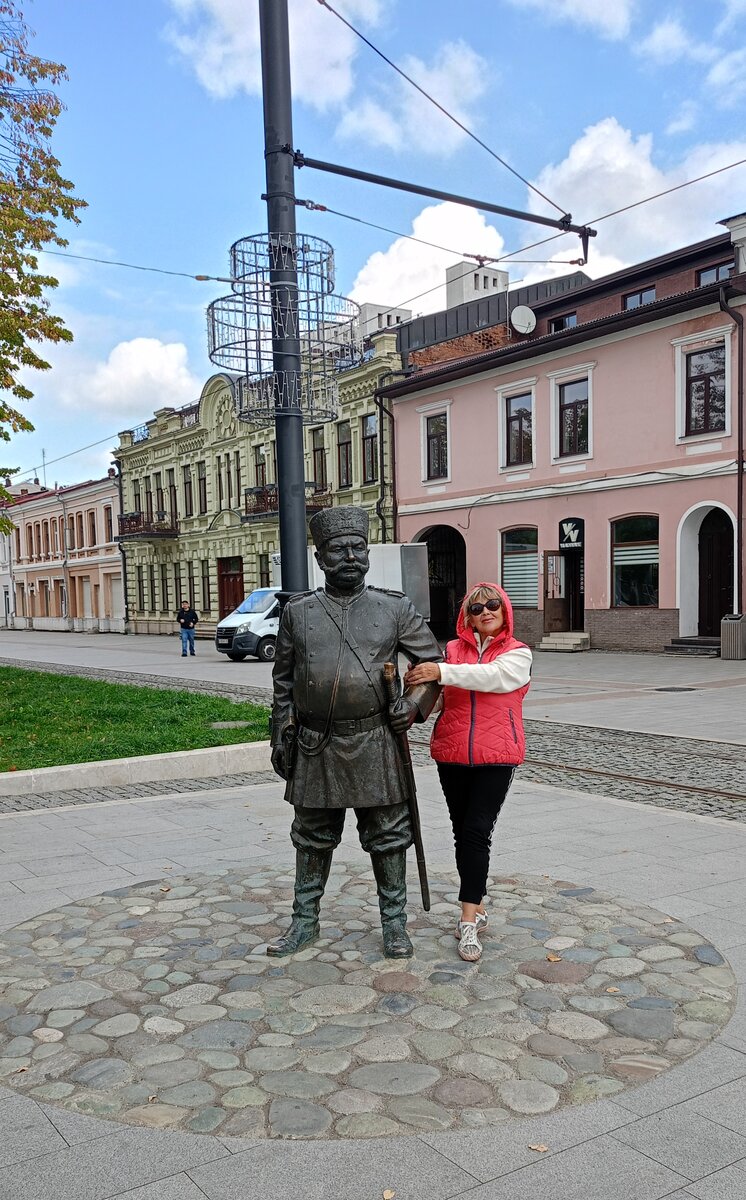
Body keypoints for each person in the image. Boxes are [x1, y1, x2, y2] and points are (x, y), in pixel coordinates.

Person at [269, 504, 442, 959]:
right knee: (311, 836)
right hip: (314, 742)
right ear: (320, 558)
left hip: (375, 741)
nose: (350, 556)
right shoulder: (298, 612)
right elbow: (283, 682)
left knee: (388, 836)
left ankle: (394, 925)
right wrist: (281, 735)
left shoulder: (394, 607)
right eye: (338, 549)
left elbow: (432, 666)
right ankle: (304, 922)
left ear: (367, 554)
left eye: (357, 548)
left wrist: (415, 705)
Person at [405, 582, 531, 963]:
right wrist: (413, 697)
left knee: (477, 831)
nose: (485, 612)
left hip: (498, 755)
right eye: (476, 609)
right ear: (467, 617)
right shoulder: (451, 651)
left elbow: (493, 677)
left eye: (493, 605)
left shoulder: (517, 653)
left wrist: (441, 670)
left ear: (504, 610)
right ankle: (476, 904)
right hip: (453, 753)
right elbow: (439, 697)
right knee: (463, 833)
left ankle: (467, 920)